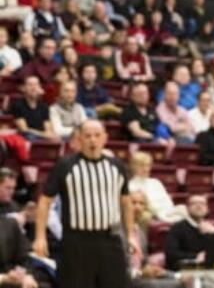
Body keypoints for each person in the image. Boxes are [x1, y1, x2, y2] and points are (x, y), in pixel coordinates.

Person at [35, 121, 139, 288]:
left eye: (97, 135)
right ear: (79, 139)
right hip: (76, 241)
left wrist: (131, 236)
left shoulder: (117, 166)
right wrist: (40, 237)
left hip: (110, 239)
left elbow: (126, 203)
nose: (93, 140)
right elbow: (44, 202)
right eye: (88, 136)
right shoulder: (65, 166)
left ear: (105, 138)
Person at [163, 194, 214, 270]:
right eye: (194, 203)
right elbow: (171, 253)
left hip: (210, 270)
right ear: (187, 208)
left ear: (207, 209)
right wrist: (196, 256)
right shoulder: (177, 228)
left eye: (202, 204)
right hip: (184, 270)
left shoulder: (213, 229)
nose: (199, 206)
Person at [12, 77, 55, 142]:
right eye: (30, 85)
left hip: (42, 138)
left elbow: (48, 130)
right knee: (30, 136)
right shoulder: (18, 105)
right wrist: (44, 134)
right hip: (26, 139)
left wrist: (44, 134)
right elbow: (24, 130)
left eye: (36, 85)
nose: (33, 88)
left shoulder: (44, 106)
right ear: (23, 88)